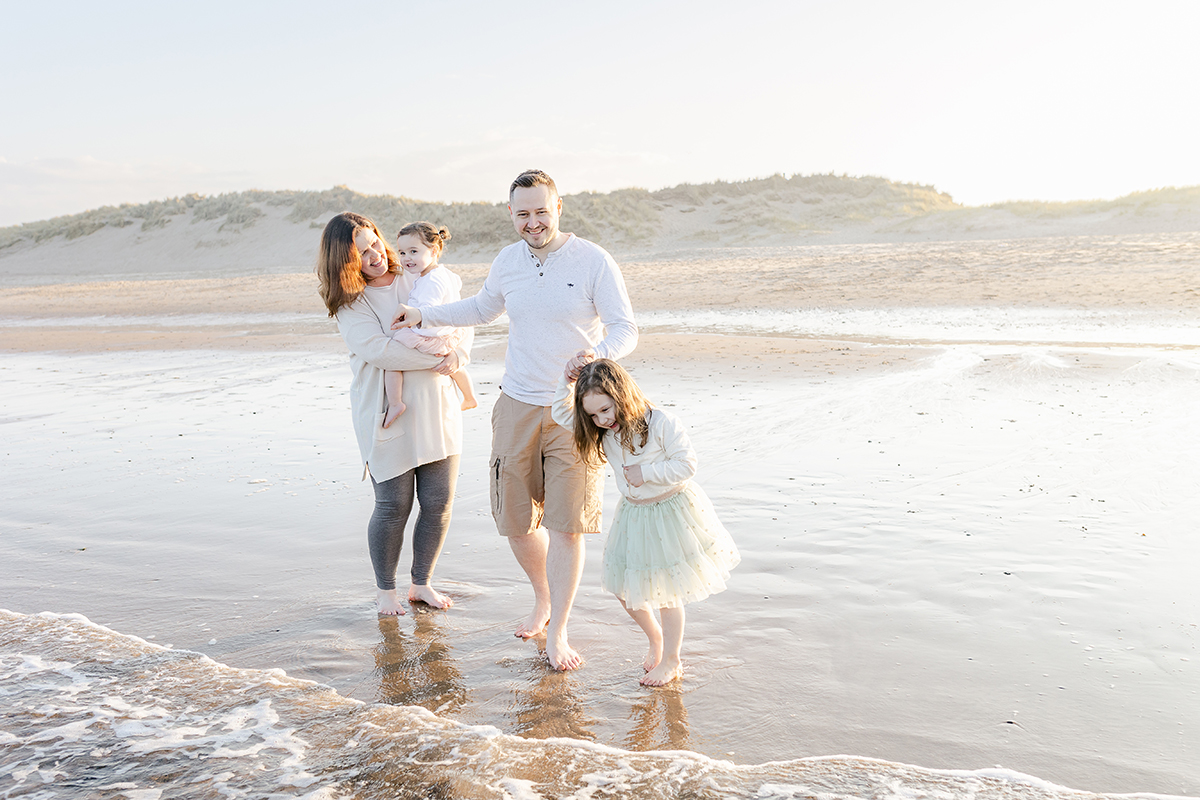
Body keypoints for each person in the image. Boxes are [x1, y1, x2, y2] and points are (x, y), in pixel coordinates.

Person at [392, 169, 637, 670]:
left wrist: (597, 354)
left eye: (541, 211)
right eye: (522, 213)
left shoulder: (593, 260)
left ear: (558, 207)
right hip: (517, 403)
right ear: (511, 214)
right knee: (516, 522)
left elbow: (626, 328)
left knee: (567, 527)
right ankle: (544, 598)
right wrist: (424, 317)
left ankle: (559, 630)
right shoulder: (508, 260)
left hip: (575, 410)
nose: (533, 222)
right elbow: (482, 309)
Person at [317, 211, 472, 616]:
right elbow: (380, 350)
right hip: (386, 410)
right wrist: (442, 352)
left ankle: (421, 583)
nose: (374, 256)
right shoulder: (352, 302)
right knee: (393, 506)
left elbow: (459, 317)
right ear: (343, 262)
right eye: (360, 253)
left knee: (438, 502)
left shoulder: (415, 273)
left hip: (438, 403)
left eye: (374, 244)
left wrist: (458, 352)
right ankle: (386, 589)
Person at [552, 358, 740, 686]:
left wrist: (646, 473)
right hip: (634, 514)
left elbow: (687, 464)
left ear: (622, 395)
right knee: (625, 589)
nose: (602, 420)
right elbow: (560, 413)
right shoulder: (603, 429)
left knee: (668, 593)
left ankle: (672, 660)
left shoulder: (662, 422)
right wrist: (566, 383)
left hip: (670, 511)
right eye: (594, 415)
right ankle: (657, 639)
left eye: (606, 410)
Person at [383, 221, 477, 428]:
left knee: (391, 358)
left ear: (434, 250)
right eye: (402, 253)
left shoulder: (431, 281)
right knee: (453, 366)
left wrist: (408, 321)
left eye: (413, 251)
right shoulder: (446, 274)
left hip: (431, 334)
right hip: (451, 332)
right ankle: (469, 397)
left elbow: (427, 313)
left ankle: (395, 403)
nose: (407, 258)